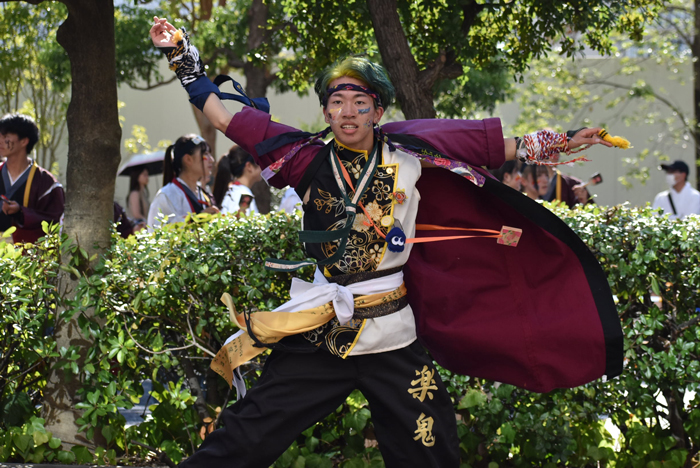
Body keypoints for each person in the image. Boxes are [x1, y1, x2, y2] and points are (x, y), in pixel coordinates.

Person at [149, 18, 623, 467]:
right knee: (249, 430)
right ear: (325, 110)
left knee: (431, 445)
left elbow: (491, 148)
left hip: (394, 332)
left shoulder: (409, 154)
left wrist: (562, 139)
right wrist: (182, 58)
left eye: (360, 103)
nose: (347, 112)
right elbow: (227, 118)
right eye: (337, 102)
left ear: (378, 110)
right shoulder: (302, 156)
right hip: (325, 329)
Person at [0, 113, 64, 244]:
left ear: (24, 141)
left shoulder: (46, 183)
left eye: (5, 136)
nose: (0, 140)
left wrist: (21, 213)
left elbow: (54, 220)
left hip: (26, 257)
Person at [147, 134, 219, 229]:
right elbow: (156, 232)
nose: (212, 160)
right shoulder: (167, 195)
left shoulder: (204, 194)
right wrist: (196, 219)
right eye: (205, 154)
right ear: (188, 159)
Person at [219, 145, 262, 216]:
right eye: (259, 162)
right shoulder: (243, 194)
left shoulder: (234, 189)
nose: (262, 167)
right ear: (249, 166)